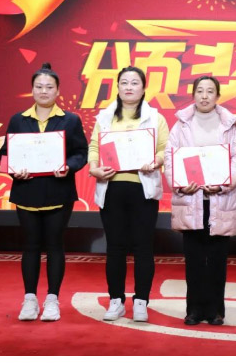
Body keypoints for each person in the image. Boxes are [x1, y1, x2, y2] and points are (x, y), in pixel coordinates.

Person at [0, 63, 88, 322]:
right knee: (30, 246)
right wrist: (14, 171)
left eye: (49, 87)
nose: (44, 91)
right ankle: (29, 299)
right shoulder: (18, 119)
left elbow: (81, 153)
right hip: (26, 191)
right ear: (32, 90)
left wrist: (68, 166)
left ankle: (52, 299)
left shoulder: (70, 120)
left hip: (58, 192)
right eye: (39, 86)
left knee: (55, 245)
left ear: (58, 91)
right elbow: (5, 154)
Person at [88, 66, 169, 323]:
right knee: (115, 247)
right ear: (118, 87)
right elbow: (94, 146)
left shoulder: (155, 117)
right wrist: (94, 168)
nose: (129, 87)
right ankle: (116, 300)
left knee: (143, 247)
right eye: (124, 82)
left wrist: (155, 161)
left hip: (142, 188)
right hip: (112, 188)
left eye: (135, 83)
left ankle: (141, 301)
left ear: (144, 88)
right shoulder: (105, 117)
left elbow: (165, 149)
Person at [163, 76, 236, 326]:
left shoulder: (230, 125)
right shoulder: (181, 125)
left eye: (210, 91)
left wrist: (224, 182)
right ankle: (194, 310)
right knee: (194, 259)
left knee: (217, 259)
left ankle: (215, 311)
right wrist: (180, 183)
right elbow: (170, 158)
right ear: (193, 95)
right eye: (200, 91)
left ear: (218, 96)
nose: (204, 96)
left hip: (220, 199)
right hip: (192, 199)